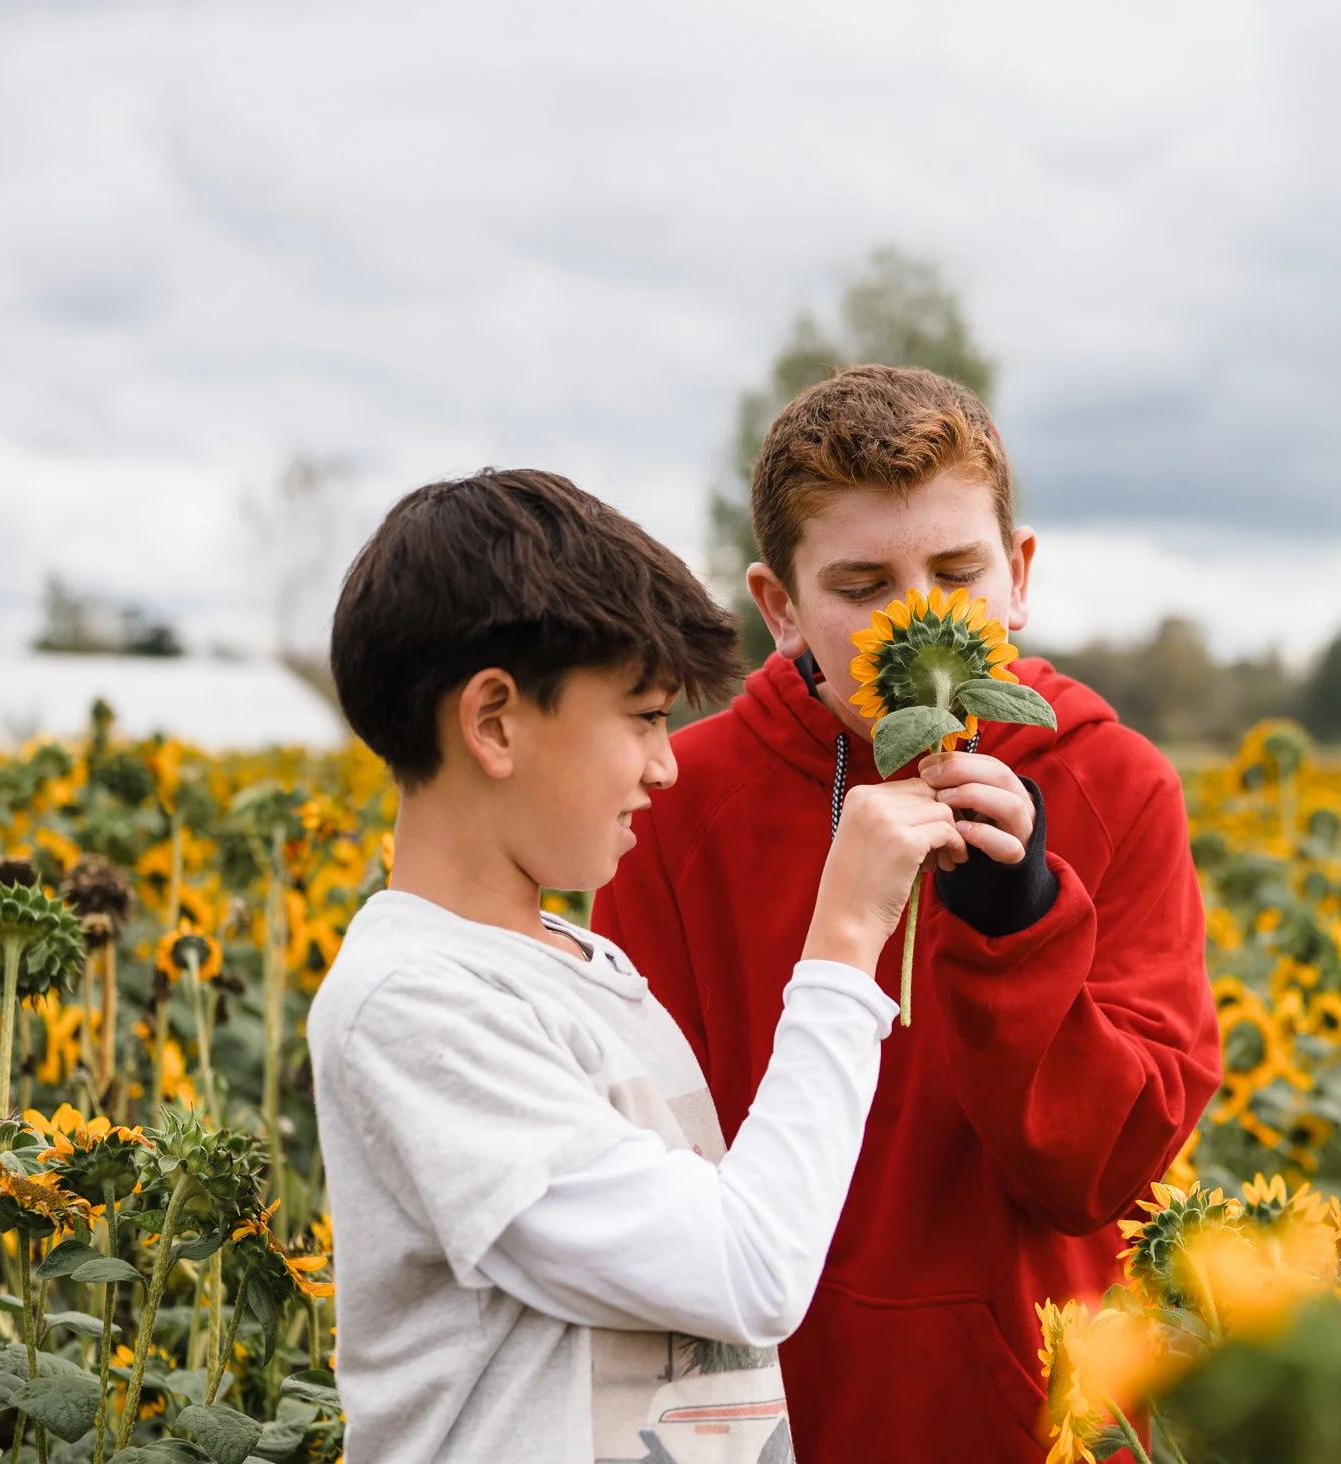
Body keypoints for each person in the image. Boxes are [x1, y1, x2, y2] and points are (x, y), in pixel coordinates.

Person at [595, 366, 1221, 1459]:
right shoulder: (673, 805)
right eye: (862, 583)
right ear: (780, 607)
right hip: (769, 1411)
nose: (920, 620)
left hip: (1038, 1416)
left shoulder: (1116, 786)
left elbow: (1108, 1176)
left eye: (954, 571)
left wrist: (1018, 925)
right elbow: (641, 1167)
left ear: (1017, 577)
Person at [309, 468, 973, 1463]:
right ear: (494, 721)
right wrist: (843, 945)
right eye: (642, 717)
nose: (666, 765)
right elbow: (749, 1272)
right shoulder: (416, 1006)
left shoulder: (581, 965)